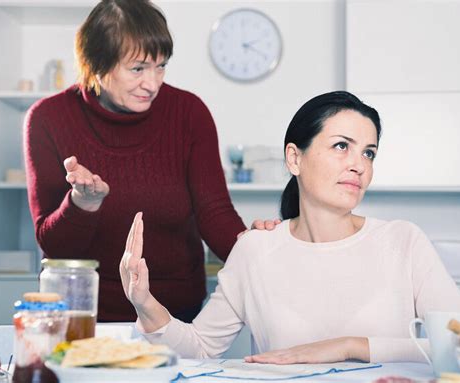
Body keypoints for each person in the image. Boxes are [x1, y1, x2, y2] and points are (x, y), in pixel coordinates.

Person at [120, 90, 460, 363]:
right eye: (342, 146)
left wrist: (350, 347)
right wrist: (145, 303)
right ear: (294, 158)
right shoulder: (256, 249)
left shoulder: (403, 241)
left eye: (369, 153)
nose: (359, 165)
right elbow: (200, 349)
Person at [23, 0, 276, 323]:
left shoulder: (188, 112)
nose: (153, 83)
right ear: (96, 64)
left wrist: (255, 256)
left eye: (161, 66)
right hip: (86, 314)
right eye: (138, 68)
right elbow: (54, 246)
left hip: (176, 313)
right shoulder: (48, 118)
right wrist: (82, 204)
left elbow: (214, 213)